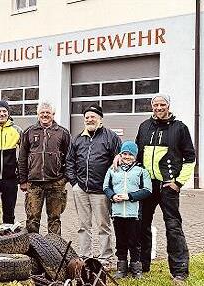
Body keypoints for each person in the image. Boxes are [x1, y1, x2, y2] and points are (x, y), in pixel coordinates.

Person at [134, 94, 195, 284]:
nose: (159, 107)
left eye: (162, 104)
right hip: (147, 186)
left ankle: (179, 271)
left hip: (168, 186)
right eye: (156, 104)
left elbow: (190, 158)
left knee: (173, 227)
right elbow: (137, 153)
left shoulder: (180, 128)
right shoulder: (144, 126)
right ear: (151, 106)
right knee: (142, 225)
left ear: (168, 106)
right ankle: (142, 266)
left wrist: (178, 183)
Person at [65, 103, 121, 269]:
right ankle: (85, 256)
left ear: (100, 119)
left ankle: (105, 258)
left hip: (101, 191)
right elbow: (69, 161)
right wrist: (74, 183)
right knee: (84, 225)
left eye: (93, 117)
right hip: (81, 189)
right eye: (87, 117)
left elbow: (117, 162)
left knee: (104, 225)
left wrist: (109, 186)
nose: (90, 119)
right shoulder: (77, 138)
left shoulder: (110, 137)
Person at [18, 101, 71, 234]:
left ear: (53, 114)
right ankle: (33, 250)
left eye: (48, 112)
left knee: (54, 218)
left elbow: (70, 158)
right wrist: (23, 180)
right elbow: (22, 157)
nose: (45, 115)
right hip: (34, 184)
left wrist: (64, 178)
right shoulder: (29, 132)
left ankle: (54, 250)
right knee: (32, 219)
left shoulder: (63, 133)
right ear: (38, 114)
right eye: (42, 112)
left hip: (56, 183)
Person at [103, 141, 152, 279]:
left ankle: (136, 268)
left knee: (134, 242)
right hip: (117, 213)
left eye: (130, 154)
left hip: (133, 213)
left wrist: (129, 196)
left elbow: (147, 190)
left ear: (135, 156)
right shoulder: (113, 169)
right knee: (121, 241)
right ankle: (121, 268)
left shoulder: (141, 171)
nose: (127, 156)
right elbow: (106, 187)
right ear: (120, 154)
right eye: (124, 153)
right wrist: (112, 196)